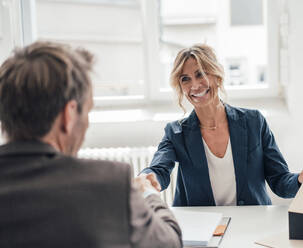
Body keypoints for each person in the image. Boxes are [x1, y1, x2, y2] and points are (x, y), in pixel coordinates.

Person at [0, 41, 182, 248]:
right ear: (68, 115)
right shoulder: (110, 185)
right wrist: (148, 193)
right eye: (87, 111)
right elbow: (169, 243)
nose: (86, 123)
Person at [141, 44, 303, 207]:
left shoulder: (254, 122)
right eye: (185, 79)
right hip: (202, 226)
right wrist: (146, 180)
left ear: (217, 77)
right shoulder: (176, 132)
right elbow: (159, 170)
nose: (195, 86)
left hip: (252, 222)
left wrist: (301, 179)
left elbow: (280, 181)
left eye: (201, 74)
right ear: (180, 87)